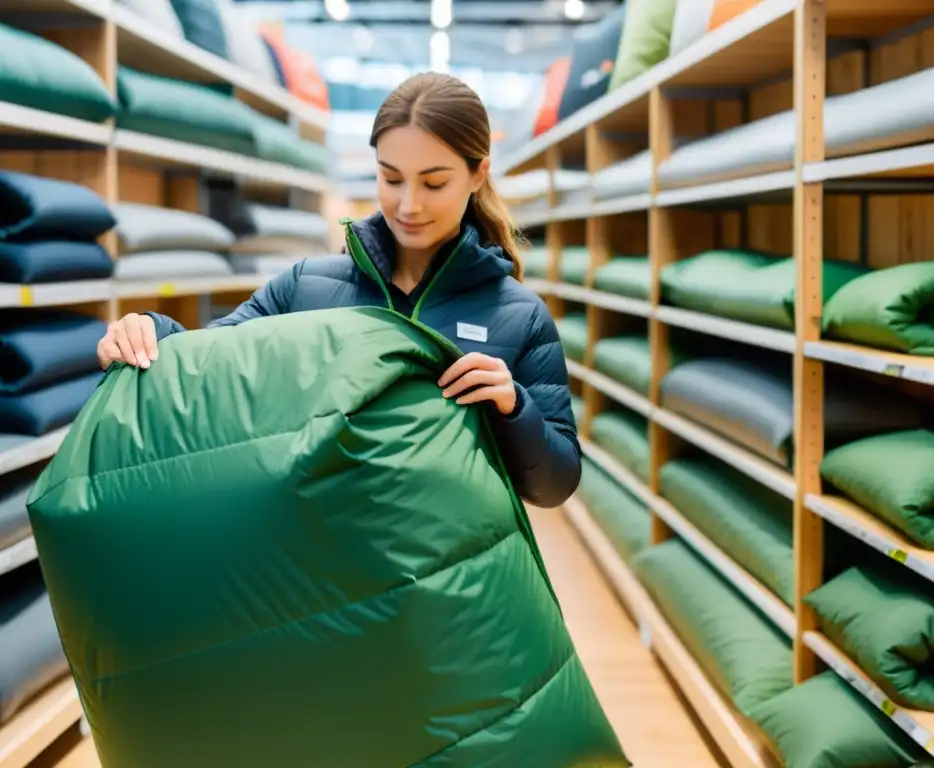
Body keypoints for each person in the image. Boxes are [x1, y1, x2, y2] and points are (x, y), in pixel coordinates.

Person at [95, 72, 581, 509]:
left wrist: (516, 410)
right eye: (391, 178)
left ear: (478, 174)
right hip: (314, 569)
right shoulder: (305, 287)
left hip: (441, 588)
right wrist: (149, 332)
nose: (408, 204)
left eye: (434, 183)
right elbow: (210, 361)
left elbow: (556, 484)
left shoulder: (520, 316)